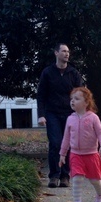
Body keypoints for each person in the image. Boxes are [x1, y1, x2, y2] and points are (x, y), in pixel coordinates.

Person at [37, 43, 83, 188]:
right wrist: (41, 115)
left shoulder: (74, 73)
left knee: (68, 144)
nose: (67, 54)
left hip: (70, 114)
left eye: (68, 51)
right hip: (52, 114)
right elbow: (41, 95)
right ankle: (54, 175)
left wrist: (81, 113)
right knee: (55, 143)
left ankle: (65, 176)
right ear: (56, 53)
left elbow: (81, 94)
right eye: (63, 51)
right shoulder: (47, 72)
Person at [59, 87, 101, 202]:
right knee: (76, 178)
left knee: (95, 180)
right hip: (75, 154)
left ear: (86, 102)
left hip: (91, 154)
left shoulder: (93, 118)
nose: (72, 101)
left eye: (76, 98)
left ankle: (100, 195)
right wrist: (62, 154)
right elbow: (66, 138)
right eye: (71, 99)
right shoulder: (70, 119)